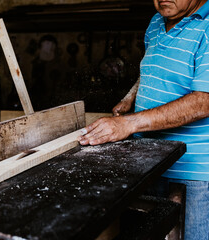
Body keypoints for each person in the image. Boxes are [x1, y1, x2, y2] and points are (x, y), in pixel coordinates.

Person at [78, 0, 209, 239]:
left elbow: (204, 101)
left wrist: (128, 123)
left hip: (193, 170)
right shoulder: (157, 21)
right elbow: (152, 67)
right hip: (148, 162)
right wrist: (131, 97)